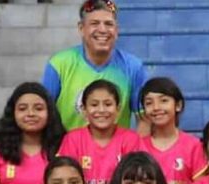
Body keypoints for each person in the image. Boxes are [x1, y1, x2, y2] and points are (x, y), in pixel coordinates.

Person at [42, 0, 147, 131]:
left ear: (117, 30)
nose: (102, 30)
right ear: (81, 28)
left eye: (109, 24)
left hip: (116, 150)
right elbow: (43, 115)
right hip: (68, 149)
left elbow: (144, 120)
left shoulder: (133, 67)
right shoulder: (59, 65)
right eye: (94, 23)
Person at [58, 79, 140, 184]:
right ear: (84, 110)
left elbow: (136, 183)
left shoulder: (131, 139)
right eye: (94, 105)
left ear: (118, 110)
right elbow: (64, 180)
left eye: (108, 104)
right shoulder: (72, 139)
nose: (101, 110)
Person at [137, 77, 207, 184]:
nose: (156, 108)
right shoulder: (137, 147)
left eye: (163, 101)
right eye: (149, 103)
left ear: (178, 105)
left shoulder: (194, 146)